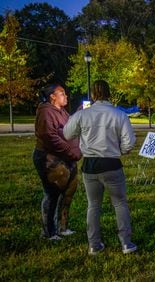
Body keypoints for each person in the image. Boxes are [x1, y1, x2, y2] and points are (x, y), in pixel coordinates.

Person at [63, 80, 137, 255]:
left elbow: (67, 133)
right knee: (120, 204)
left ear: (93, 94)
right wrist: (120, 150)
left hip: (90, 164)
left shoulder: (83, 115)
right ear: (109, 93)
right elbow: (129, 142)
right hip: (111, 163)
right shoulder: (119, 115)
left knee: (93, 205)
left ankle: (94, 244)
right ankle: (126, 243)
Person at [33, 84, 82, 241]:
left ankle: (63, 227)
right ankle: (49, 232)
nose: (66, 96)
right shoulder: (46, 112)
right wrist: (71, 152)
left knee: (69, 191)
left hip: (67, 158)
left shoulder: (61, 111)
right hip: (50, 158)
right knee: (53, 193)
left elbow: (68, 127)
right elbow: (50, 137)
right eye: (62, 93)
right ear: (52, 96)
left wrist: (79, 114)